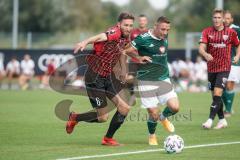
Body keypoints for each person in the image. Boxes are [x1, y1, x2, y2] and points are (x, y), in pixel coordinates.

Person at [66, 12, 134, 146]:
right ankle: (75, 117)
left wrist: (130, 65)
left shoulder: (126, 37)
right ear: (119, 24)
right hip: (94, 77)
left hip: (107, 76)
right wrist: (85, 41)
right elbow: (101, 36)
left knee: (124, 109)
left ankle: (108, 139)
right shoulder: (114, 32)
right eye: (126, 25)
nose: (128, 28)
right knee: (103, 117)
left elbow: (123, 51)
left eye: (131, 25)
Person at [123, 16, 179, 145]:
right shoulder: (143, 38)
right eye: (162, 29)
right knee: (153, 113)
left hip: (163, 78)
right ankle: (152, 135)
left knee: (175, 107)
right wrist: (138, 57)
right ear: (155, 26)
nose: (165, 32)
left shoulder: (164, 37)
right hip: (146, 80)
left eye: (167, 30)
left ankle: (163, 118)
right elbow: (126, 50)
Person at [199, 9, 240, 129]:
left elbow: (238, 45)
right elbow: (201, 47)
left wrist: (237, 56)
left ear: (223, 19)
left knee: (217, 93)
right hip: (211, 68)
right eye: (214, 18)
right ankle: (222, 120)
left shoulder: (231, 32)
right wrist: (205, 54)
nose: (216, 20)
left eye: (219, 18)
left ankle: (210, 120)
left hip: (224, 67)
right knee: (215, 96)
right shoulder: (207, 31)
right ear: (212, 19)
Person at [127, 14, 149, 106]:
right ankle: (132, 96)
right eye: (140, 20)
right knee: (129, 79)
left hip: (145, 60)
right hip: (134, 59)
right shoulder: (133, 32)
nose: (142, 22)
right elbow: (128, 45)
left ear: (146, 22)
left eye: (143, 20)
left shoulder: (150, 32)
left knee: (145, 82)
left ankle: (146, 102)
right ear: (138, 21)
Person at [222, 10, 240, 117]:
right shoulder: (219, 29)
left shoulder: (237, 29)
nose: (226, 20)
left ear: (232, 19)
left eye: (228, 18)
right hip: (221, 62)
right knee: (219, 87)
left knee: (229, 85)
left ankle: (228, 110)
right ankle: (228, 108)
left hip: (233, 61)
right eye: (224, 18)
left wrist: (238, 56)